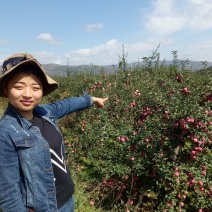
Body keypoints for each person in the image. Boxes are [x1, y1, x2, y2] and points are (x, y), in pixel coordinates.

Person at [0, 53, 108, 212]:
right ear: (6, 89)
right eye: (19, 86)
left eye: (35, 87)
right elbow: (8, 192)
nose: (28, 94)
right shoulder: (6, 132)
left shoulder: (44, 113)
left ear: (42, 91)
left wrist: (91, 99)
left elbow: (67, 104)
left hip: (67, 200)